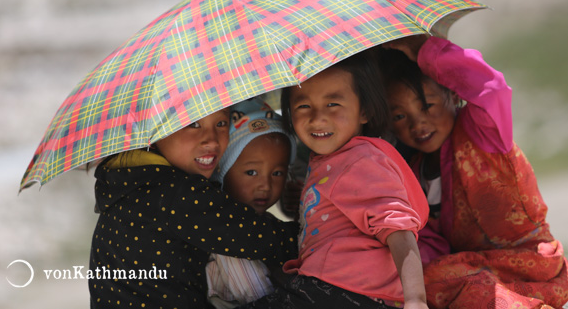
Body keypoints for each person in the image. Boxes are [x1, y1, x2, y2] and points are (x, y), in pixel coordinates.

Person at [381, 35, 568, 309]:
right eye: (399, 116)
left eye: (428, 105)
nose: (418, 122)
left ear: (452, 95)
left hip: (533, 266)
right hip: (474, 272)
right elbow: (429, 244)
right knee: (421, 280)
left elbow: (492, 88)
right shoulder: (414, 173)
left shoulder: (482, 133)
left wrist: (426, 51)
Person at [242, 52, 430, 309]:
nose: (317, 118)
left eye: (333, 104)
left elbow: (398, 230)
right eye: (303, 106)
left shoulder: (359, 160)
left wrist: (416, 300)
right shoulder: (335, 159)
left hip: (341, 291)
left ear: (364, 111)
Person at [88, 108, 299, 309]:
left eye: (221, 123)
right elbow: (255, 236)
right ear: (152, 131)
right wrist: (317, 234)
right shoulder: (174, 192)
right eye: (193, 124)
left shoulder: (126, 182)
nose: (212, 139)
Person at [205, 98, 297, 309]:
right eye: (251, 172)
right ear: (222, 172)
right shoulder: (226, 234)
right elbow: (256, 293)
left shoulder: (264, 222)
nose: (265, 185)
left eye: (277, 173)